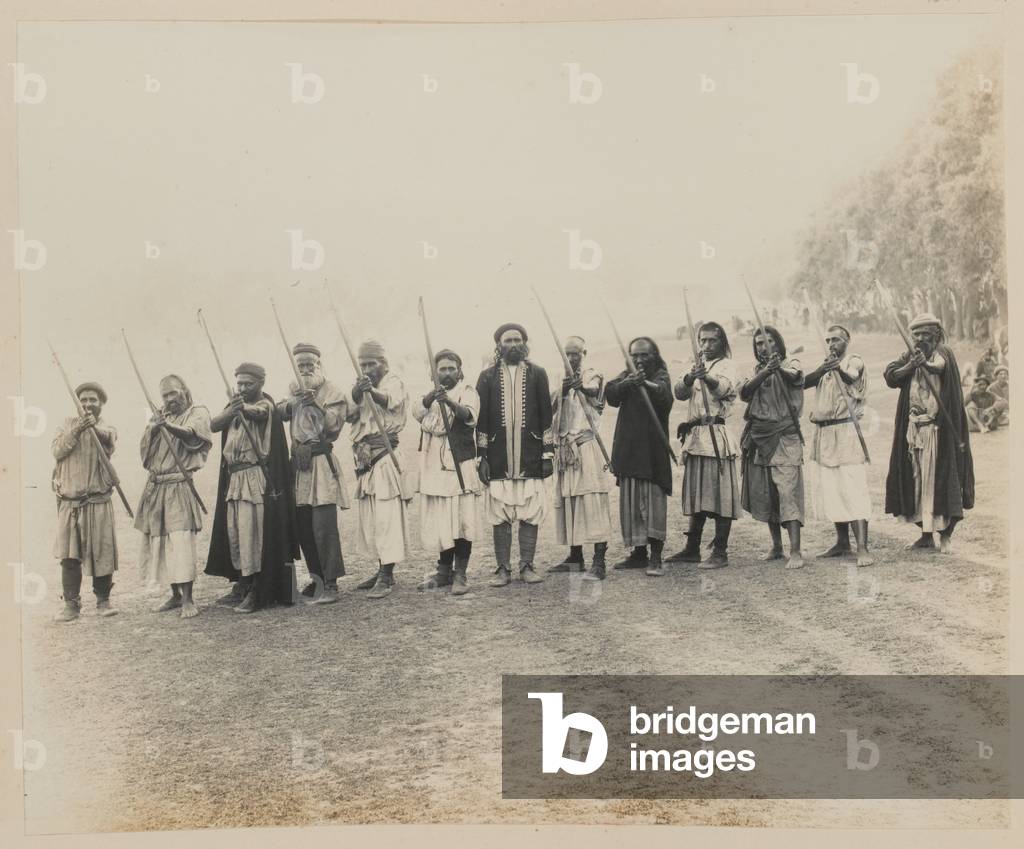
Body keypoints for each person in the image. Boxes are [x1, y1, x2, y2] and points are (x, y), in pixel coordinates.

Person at [205, 363, 299, 612]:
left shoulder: (265, 405)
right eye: (240, 384)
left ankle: (259, 589)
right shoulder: (233, 406)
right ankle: (244, 585)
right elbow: (214, 426)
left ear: (261, 384)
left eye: (249, 383)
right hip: (234, 479)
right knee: (237, 533)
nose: (244, 388)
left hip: (254, 477)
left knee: (253, 534)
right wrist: (233, 409)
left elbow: (258, 413)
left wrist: (242, 407)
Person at [883, 314, 974, 553]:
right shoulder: (909, 355)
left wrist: (924, 364)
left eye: (925, 333)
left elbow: (939, 366)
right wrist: (911, 365)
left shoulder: (943, 352)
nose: (921, 338)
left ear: (936, 334)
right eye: (916, 334)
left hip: (938, 430)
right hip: (914, 430)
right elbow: (891, 377)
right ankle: (925, 535)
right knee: (917, 482)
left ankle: (945, 535)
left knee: (942, 480)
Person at [475, 323, 554, 587]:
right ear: (498, 345)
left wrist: (547, 454)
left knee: (530, 510)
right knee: (500, 511)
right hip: (498, 457)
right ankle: (502, 568)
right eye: (507, 340)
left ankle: (528, 565)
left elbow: (546, 416)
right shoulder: (486, 377)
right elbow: (482, 420)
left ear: (525, 342)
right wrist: (483, 457)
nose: (513, 344)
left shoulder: (537, 373)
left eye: (517, 339)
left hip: (530, 454)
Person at [277, 343, 349, 606]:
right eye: (301, 366)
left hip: (321, 462)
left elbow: (334, 424)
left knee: (323, 526)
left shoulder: (333, 391)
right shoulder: (293, 390)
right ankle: (317, 578)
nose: (306, 370)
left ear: (319, 365)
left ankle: (331, 583)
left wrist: (316, 403)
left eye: (310, 365)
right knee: (304, 525)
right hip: (299, 464)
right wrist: (294, 402)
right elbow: (279, 411)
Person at [136, 375, 213, 618]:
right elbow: (146, 455)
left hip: (179, 486)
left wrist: (167, 427)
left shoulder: (198, 412)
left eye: (173, 393)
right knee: (162, 542)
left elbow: (193, 436)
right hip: (157, 487)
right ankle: (175, 595)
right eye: (165, 396)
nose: (169, 399)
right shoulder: (161, 417)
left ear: (184, 391)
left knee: (181, 542)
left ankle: (189, 599)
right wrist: (153, 427)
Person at [669, 321, 740, 569]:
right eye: (703, 340)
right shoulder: (695, 363)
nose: (706, 345)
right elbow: (679, 392)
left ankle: (720, 551)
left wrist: (706, 377)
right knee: (697, 493)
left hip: (715, 434)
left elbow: (724, 389)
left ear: (722, 342)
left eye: (712, 340)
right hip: (696, 434)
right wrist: (691, 375)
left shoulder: (728, 365)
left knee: (721, 494)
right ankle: (692, 549)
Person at [414, 348, 482, 596]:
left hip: (459, 464)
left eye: (451, 368)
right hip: (434, 464)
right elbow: (417, 413)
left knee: (462, 520)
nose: (447, 373)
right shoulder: (429, 395)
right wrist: (433, 397)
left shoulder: (467, 392)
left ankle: (460, 573)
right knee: (443, 520)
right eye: (441, 369)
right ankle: (443, 572)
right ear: (435, 372)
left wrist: (450, 402)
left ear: (459, 370)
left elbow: (470, 416)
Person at [803, 326, 873, 566]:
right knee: (832, 489)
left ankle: (862, 548)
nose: (831, 343)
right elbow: (803, 383)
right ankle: (842, 543)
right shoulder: (826, 366)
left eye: (836, 339)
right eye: (828, 340)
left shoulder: (853, 361)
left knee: (852, 488)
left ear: (847, 341)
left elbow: (852, 376)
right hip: (824, 433)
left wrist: (836, 368)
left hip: (845, 431)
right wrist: (824, 368)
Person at [605, 337, 674, 577]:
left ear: (654, 355)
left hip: (653, 451)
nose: (639, 359)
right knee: (632, 503)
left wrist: (645, 384)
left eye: (644, 355)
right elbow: (611, 394)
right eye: (635, 355)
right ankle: (638, 553)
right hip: (630, 450)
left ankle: (656, 555)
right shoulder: (627, 375)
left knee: (653, 502)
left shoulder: (661, 375)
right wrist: (629, 383)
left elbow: (665, 395)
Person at [51, 382, 120, 622]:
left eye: (93, 400)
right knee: (69, 556)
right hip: (70, 502)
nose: (88, 404)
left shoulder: (106, 427)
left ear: (101, 403)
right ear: (77, 403)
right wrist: (77, 429)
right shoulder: (66, 424)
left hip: (97, 500)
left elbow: (109, 441)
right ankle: (71, 605)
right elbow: (57, 451)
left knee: (102, 552)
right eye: (84, 400)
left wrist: (94, 429)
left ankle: (103, 601)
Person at [738, 325, 806, 570]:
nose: (764, 346)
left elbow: (795, 377)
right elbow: (744, 393)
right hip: (760, 437)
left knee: (787, 492)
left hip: (785, 436)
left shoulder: (792, 362)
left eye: (769, 341)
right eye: (758, 343)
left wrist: (778, 370)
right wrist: (766, 372)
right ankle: (776, 546)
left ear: (778, 343)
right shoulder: (756, 370)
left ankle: (796, 551)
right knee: (768, 494)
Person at [349, 340, 411, 599]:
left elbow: (389, 401)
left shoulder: (393, 380)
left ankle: (387, 575)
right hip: (365, 458)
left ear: (383, 364)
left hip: (386, 454)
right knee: (373, 518)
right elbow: (350, 413)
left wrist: (370, 391)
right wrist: (359, 390)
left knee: (387, 517)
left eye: (371, 364)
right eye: (362, 364)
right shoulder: (361, 385)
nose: (366, 368)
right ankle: (381, 569)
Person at [548, 336, 613, 580]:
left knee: (592, 500)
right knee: (569, 501)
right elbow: (549, 407)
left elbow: (595, 393)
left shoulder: (591, 373)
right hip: (565, 448)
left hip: (586, 446)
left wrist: (580, 387)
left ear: (583, 353)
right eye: (567, 353)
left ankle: (599, 561)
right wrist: (563, 390)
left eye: (574, 353)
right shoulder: (559, 377)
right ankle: (575, 557)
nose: (570, 358)